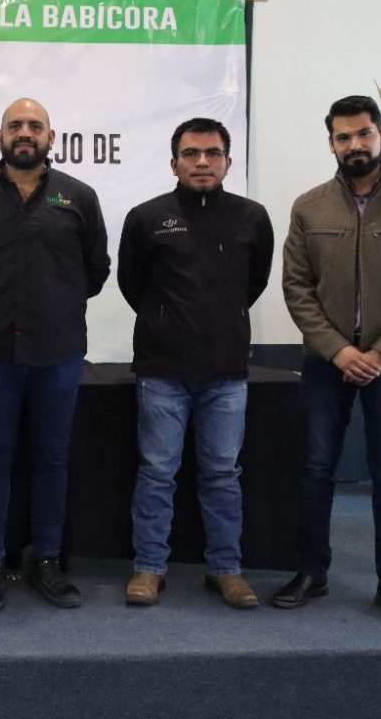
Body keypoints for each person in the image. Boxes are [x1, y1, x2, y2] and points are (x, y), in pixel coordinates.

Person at [272, 95, 381, 629]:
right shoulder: (309, 206)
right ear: (331, 143)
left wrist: (380, 352)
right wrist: (340, 350)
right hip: (327, 362)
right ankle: (311, 571)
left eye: (364, 133)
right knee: (315, 470)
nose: (355, 145)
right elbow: (297, 288)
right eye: (343, 137)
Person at [0, 97, 111, 611]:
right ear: (0, 136)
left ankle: (48, 561)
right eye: (15, 125)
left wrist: (55, 305)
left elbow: (96, 270)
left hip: (59, 352)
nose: (25, 132)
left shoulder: (79, 196)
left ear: (50, 137)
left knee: (52, 459)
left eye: (34, 125)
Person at [117, 118, 273, 609]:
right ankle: (149, 566)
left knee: (222, 475)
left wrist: (221, 320)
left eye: (212, 153)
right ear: (174, 163)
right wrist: (168, 322)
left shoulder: (252, 218)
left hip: (226, 373)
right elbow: (132, 285)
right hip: (162, 370)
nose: (202, 161)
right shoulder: (146, 218)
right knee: (157, 473)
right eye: (190, 153)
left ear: (228, 161)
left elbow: (254, 282)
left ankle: (226, 569)